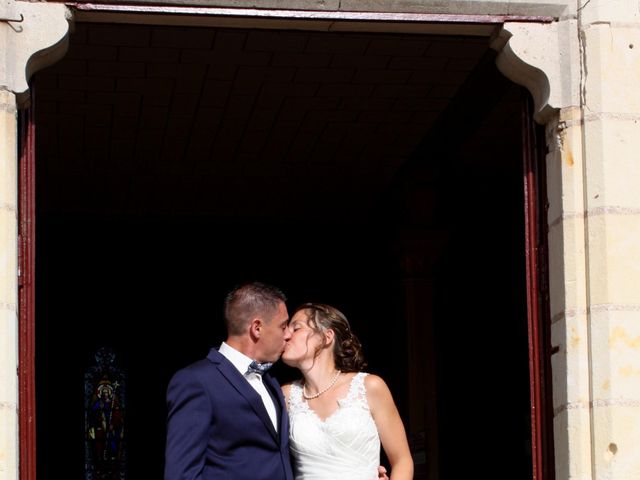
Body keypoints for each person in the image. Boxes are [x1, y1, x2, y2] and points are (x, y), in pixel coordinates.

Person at [164, 281, 294, 480]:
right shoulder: (196, 381)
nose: (288, 335)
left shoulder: (271, 382)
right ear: (257, 328)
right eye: (283, 326)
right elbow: (181, 474)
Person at [281, 303, 414, 480]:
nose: (286, 335)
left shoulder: (369, 386)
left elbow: (402, 461)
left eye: (296, 328)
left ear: (326, 337)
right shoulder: (287, 395)